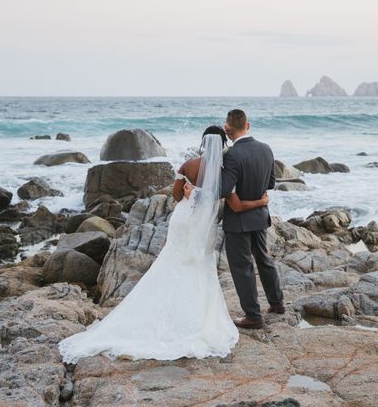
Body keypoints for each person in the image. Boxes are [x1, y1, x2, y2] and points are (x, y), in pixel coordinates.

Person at [58, 128, 268, 363]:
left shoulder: (189, 165)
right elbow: (231, 202)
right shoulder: (224, 172)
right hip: (203, 225)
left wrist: (192, 193)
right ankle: (192, 319)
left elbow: (177, 195)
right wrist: (259, 201)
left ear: (203, 143)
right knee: (199, 266)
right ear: (222, 146)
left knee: (171, 262)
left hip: (183, 220)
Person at [221, 109, 284, 330]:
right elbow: (271, 184)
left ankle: (253, 316)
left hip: (238, 220)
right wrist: (257, 199)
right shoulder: (266, 149)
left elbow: (224, 189)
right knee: (264, 259)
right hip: (259, 216)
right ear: (248, 126)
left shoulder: (231, 155)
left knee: (242, 267)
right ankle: (277, 303)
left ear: (227, 129)